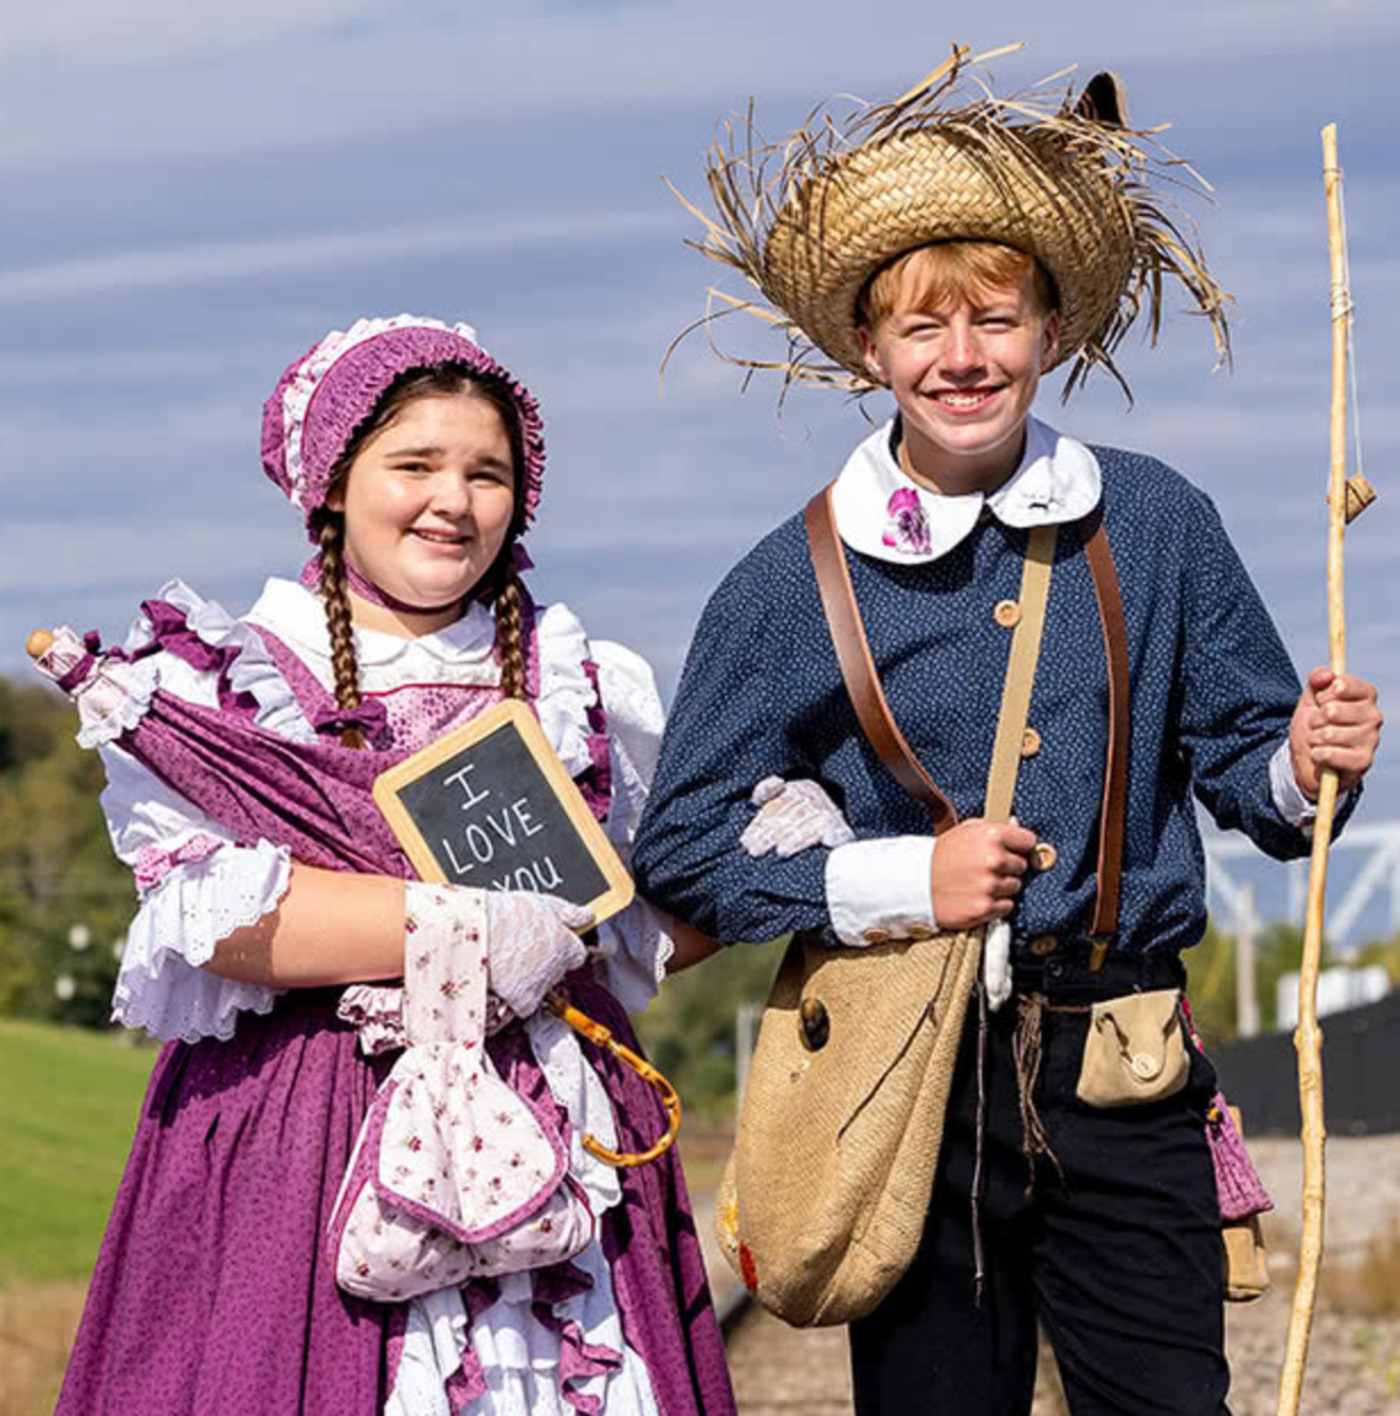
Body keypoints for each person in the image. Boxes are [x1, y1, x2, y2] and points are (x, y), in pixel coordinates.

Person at [631, 57, 1383, 1416]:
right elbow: (679, 846)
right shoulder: (788, 582)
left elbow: (1249, 772)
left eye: (995, 316)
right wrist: (890, 883)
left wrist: (1306, 758)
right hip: (904, 1073)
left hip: (1127, 1060)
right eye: (923, 328)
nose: (961, 357)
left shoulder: (1153, 525)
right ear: (868, 347)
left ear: (1051, 327)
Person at [40, 315, 736, 1416]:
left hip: (553, 1123)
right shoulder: (226, 683)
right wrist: (470, 928)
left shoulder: (579, 680)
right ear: (329, 483)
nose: (451, 502)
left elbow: (627, 928)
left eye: (486, 473)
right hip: (303, 1132)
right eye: (412, 464)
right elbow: (222, 924)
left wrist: (771, 868)